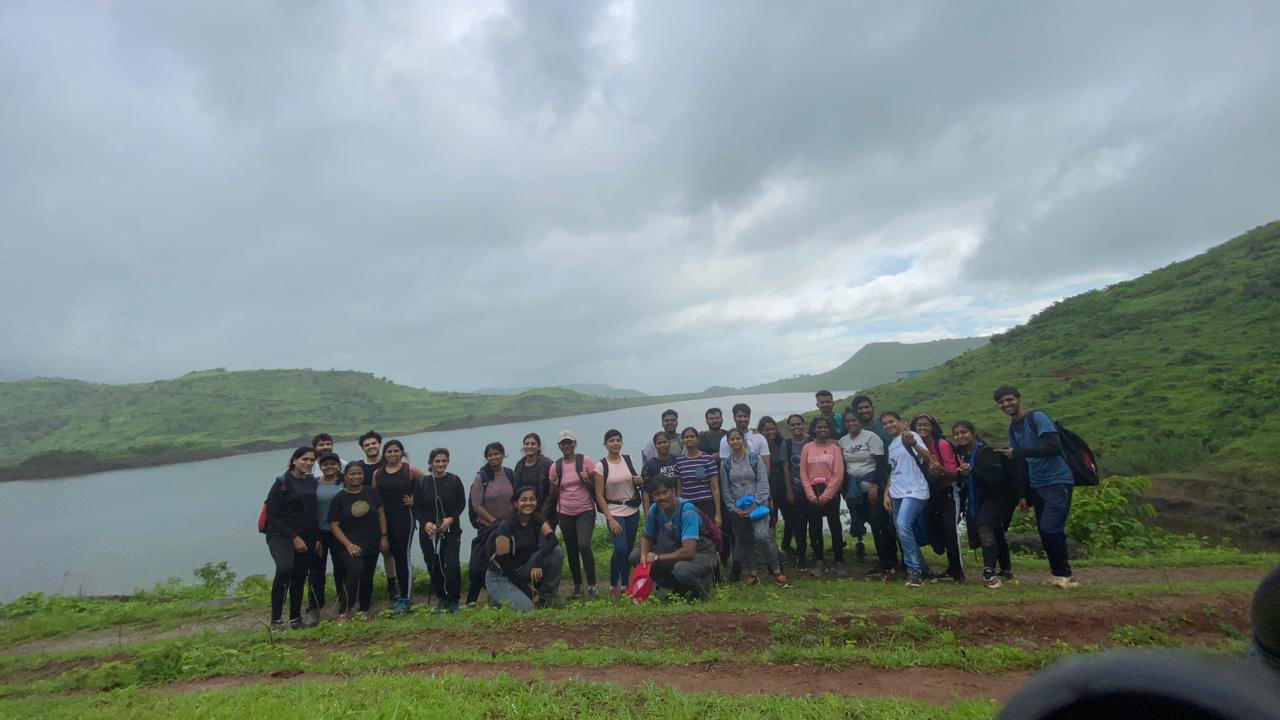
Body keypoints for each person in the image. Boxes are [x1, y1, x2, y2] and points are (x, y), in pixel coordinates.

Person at [994, 385, 1079, 588]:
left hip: (1057, 481)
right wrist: (1023, 494)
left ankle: (1066, 575)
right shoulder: (1013, 428)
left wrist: (1018, 452)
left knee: (1051, 528)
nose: (1006, 404)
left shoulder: (1037, 418)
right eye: (1002, 402)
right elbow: (1021, 463)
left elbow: (1054, 447)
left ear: (1018, 398)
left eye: (1009, 400)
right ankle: (1058, 573)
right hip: (1037, 484)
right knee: (1045, 530)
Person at [631, 474, 718, 600]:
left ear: (673, 491)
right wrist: (644, 556)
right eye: (657, 494)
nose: (662, 497)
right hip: (678, 549)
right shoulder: (654, 509)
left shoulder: (687, 510)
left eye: (665, 492)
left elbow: (689, 552)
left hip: (703, 553)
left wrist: (656, 557)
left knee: (681, 570)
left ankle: (702, 590)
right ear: (652, 496)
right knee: (635, 556)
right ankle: (677, 588)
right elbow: (646, 536)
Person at [952, 421, 1018, 588]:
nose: (960, 436)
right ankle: (1006, 570)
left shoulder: (986, 452)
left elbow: (996, 480)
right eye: (957, 434)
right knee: (996, 531)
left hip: (997, 497)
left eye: (964, 432)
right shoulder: (962, 454)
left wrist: (972, 471)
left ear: (973, 433)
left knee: (984, 525)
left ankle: (989, 571)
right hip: (979, 498)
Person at [720, 428, 788, 587]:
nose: (735, 441)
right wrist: (732, 508)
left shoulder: (754, 458)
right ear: (728, 442)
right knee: (746, 540)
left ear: (743, 440)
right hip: (738, 509)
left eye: (738, 438)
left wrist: (756, 504)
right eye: (732, 439)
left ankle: (777, 569)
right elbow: (725, 488)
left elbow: (763, 482)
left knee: (763, 537)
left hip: (757, 506)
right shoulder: (726, 464)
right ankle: (753, 573)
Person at [263, 447, 321, 630]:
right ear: (294, 460)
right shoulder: (282, 482)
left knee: (300, 576)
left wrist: (317, 538)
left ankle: (295, 618)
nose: (308, 463)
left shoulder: (312, 481)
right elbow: (272, 516)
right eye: (305, 459)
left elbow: (313, 512)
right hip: (281, 535)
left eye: (312, 460)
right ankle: (276, 620)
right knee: (284, 569)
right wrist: (293, 537)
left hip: (307, 535)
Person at [485, 486, 564, 612]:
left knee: (557, 552)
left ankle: (546, 598)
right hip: (501, 575)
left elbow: (553, 540)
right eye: (524, 500)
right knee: (527, 609)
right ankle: (497, 597)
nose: (528, 503)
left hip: (522, 567)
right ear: (516, 503)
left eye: (532, 499)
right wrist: (528, 591)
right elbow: (505, 565)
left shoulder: (536, 518)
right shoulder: (505, 527)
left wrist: (538, 562)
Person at [328, 461, 388, 622]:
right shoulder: (339, 498)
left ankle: (364, 609)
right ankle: (344, 610)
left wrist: (384, 536)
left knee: (368, 576)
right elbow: (334, 525)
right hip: (349, 543)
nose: (356, 477)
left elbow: (381, 514)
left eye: (359, 473)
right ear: (345, 476)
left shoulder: (371, 492)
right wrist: (348, 544)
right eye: (352, 474)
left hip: (371, 541)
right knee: (354, 572)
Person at [881, 411, 937, 587]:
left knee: (903, 525)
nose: (888, 425)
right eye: (885, 424)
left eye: (891, 421)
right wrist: (886, 493)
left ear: (900, 421)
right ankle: (924, 570)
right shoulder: (892, 445)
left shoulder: (911, 436)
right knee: (901, 530)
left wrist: (913, 443)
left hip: (915, 490)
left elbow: (928, 458)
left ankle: (914, 572)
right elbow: (894, 470)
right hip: (896, 492)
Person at [371, 440, 426, 613]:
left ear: (402, 452)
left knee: (402, 555)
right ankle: (399, 592)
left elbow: (427, 482)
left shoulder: (409, 470)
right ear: (384, 454)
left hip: (404, 517)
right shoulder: (378, 473)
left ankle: (405, 597)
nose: (393, 454)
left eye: (396, 451)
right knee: (391, 553)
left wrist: (415, 499)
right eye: (389, 451)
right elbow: (374, 495)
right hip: (385, 517)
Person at [911, 413, 963, 582]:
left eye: (926, 424)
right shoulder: (915, 447)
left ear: (933, 427)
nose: (923, 428)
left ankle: (957, 570)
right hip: (929, 493)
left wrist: (939, 468)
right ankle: (950, 566)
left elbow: (954, 474)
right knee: (933, 528)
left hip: (947, 491)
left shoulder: (942, 445)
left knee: (950, 529)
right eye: (919, 425)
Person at [549, 430, 600, 599]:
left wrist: (587, 480)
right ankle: (578, 586)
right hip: (564, 512)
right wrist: (555, 485)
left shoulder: (585, 461)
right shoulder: (555, 466)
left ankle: (592, 585)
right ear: (559, 446)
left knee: (584, 545)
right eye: (563, 443)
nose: (567, 446)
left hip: (585, 510)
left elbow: (597, 486)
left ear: (575, 443)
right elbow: (552, 495)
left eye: (569, 442)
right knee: (571, 550)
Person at [414, 448, 465, 612]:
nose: (441, 464)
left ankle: (454, 600)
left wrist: (451, 519)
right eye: (437, 461)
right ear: (430, 463)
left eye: (444, 461)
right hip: (429, 532)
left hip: (451, 530)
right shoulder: (423, 483)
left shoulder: (454, 480)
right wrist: (424, 523)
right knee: (434, 565)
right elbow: (416, 507)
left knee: (452, 565)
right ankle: (442, 597)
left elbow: (461, 504)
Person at [596, 429, 644, 600]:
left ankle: (625, 584)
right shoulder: (601, 466)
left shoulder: (628, 460)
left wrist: (639, 480)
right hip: (614, 512)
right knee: (620, 548)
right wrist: (609, 518)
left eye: (618, 440)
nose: (615, 443)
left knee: (628, 550)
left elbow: (636, 482)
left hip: (632, 510)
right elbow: (599, 495)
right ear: (605, 444)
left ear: (622, 442)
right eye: (611, 441)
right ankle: (613, 585)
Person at [466, 442, 515, 607]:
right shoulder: (482, 477)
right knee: (482, 563)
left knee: (506, 561)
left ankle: (501, 597)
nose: (494, 457)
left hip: (507, 526)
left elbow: (514, 499)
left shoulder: (509, 474)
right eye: (490, 455)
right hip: (487, 528)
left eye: (496, 454)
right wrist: (494, 522)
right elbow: (476, 505)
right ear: (486, 457)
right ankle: (471, 600)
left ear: (503, 454)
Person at [839, 410, 886, 571]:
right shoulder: (843, 441)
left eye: (854, 420)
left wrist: (875, 485)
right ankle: (878, 559)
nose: (851, 423)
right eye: (847, 421)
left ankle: (887, 560)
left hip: (872, 487)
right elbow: (845, 466)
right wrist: (845, 490)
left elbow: (881, 464)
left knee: (878, 523)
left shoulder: (871, 437)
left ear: (860, 421)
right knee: (861, 520)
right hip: (854, 489)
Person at [674, 426, 723, 580]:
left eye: (692, 436)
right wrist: (677, 509)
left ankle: (716, 576)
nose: (689, 439)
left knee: (710, 539)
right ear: (682, 440)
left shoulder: (707, 459)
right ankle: (695, 572)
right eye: (686, 437)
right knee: (690, 539)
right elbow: (679, 488)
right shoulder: (679, 461)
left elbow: (715, 487)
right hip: (687, 507)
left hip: (706, 504)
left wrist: (718, 513)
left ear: (697, 439)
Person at [800, 417, 846, 576]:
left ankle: (839, 561)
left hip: (831, 491)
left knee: (835, 526)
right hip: (812, 492)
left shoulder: (835, 449)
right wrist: (811, 495)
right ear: (813, 429)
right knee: (814, 527)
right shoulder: (807, 448)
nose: (822, 430)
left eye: (825, 427)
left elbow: (838, 474)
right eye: (819, 427)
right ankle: (819, 559)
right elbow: (803, 473)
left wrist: (826, 495)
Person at [355, 430, 392, 595]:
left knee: (388, 552)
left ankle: (393, 586)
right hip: (366, 518)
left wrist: (413, 497)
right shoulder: (359, 468)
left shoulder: (390, 462)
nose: (371, 447)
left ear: (379, 444)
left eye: (374, 443)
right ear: (363, 448)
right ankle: (362, 589)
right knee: (364, 553)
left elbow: (410, 479)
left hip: (390, 514)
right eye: (367, 445)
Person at [311, 452, 346, 623]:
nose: (329, 467)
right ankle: (315, 606)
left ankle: (343, 603)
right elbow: (310, 512)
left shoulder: (344, 482)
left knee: (341, 568)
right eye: (325, 464)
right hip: (320, 533)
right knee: (317, 570)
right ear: (320, 466)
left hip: (340, 532)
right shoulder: (314, 484)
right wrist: (314, 536)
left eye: (333, 464)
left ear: (338, 465)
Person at [758, 416, 797, 565]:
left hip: (783, 484)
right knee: (771, 520)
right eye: (766, 429)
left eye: (773, 428)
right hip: (767, 486)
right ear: (761, 431)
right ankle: (772, 550)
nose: (770, 432)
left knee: (790, 518)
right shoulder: (759, 445)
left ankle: (786, 545)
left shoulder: (782, 443)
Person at [780, 414, 811, 568]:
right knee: (799, 524)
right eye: (792, 425)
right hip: (796, 490)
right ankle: (801, 555)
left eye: (798, 424)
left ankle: (817, 554)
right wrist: (789, 491)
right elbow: (786, 469)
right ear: (789, 427)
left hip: (812, 490)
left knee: (814, 523)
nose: (796, 427)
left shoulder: (811, 441)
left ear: (803, 424)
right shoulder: (786, 444)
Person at [513, 433, 556, 526]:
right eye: (526, 444)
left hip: (546, 512)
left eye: (533, 444)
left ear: (538, 447)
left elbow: (552, 493)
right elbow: (516, 490)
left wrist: (543, 513)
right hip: (526, 511)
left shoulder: (547, 464)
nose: (529, 446)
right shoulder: (519, 465)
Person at [718, 403, 771, 471]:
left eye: (746, 416)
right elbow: (725, 467)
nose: (743, 419)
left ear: (749, 417)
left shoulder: (760, 438)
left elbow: (765, 465)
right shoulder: (725, 440)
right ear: (734, 417)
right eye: (739, 416)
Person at [641, 431, 680, 503]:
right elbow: (645, 491)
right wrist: (647, 509)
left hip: (676, 503)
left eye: (665, 442)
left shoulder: (677, 460)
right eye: (659, 443)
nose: (662, 445)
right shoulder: (649, 465)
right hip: (659, 503)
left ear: (669, 443)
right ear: (655, 445)